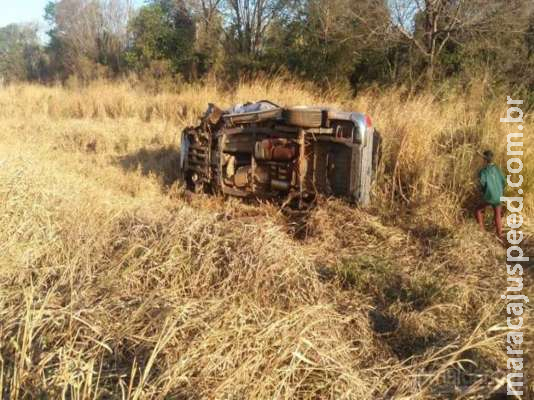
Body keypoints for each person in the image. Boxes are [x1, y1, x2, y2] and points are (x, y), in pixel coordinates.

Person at [475, 150, 506, 240]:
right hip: (499, 195)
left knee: (478, 210)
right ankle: (500, 235)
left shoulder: (483, 171)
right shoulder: (497, 168)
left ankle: (481, 231)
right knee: (497, 214)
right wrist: (499, 190)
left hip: (489, 195)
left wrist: (483, 192)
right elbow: (504, 181)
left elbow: (482, 183)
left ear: (484, 160)